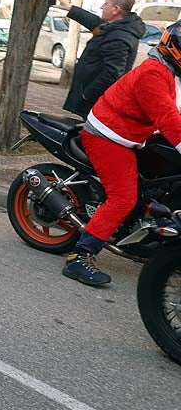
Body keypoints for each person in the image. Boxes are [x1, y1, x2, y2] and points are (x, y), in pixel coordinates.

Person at [61, 22, 181, 285]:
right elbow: (169, 118)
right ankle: (80, 256)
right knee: (124, 196)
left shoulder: (173, 74)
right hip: (109, 134)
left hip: (137, 133)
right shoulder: (153, 73)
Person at [53, 0, 145, 118]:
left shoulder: (118, 37)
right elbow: (93, 21)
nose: (102, 6)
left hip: (95, 103)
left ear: (116, 9)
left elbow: (113, 73)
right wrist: (69, 7)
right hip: (93, 101)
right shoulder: (116, 28)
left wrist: (87, 95)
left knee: (87, 135)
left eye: (106, 3)